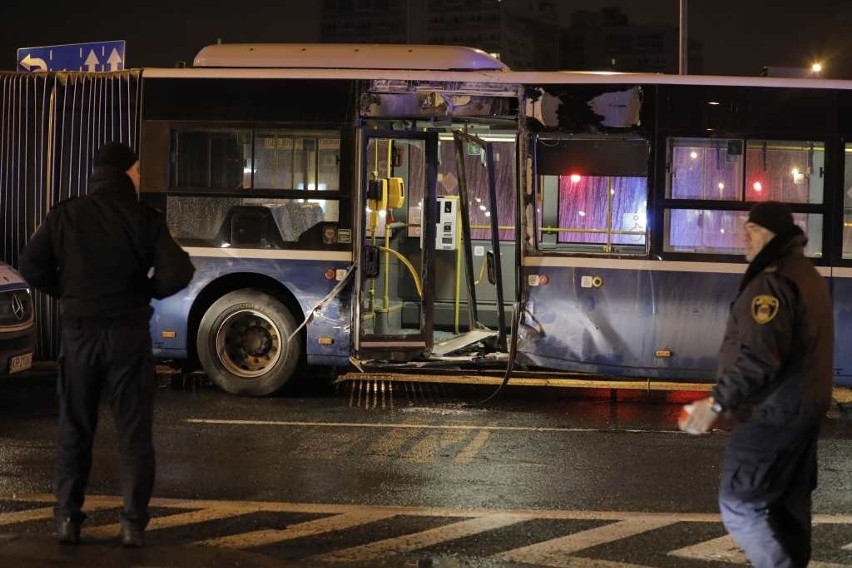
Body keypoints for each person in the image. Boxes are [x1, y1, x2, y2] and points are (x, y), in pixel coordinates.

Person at [19, 141, 195, 547]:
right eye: (136, 171)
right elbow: (179, 270)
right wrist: (145, 291)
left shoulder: (66, 214)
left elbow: (31, 264)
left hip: (79, 334)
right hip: (127, 335)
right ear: (125, 173)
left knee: (75, 427)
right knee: (133, 432)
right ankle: (132, 524)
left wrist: (67, 292)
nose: (138, 177)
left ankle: (68, 519)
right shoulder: (143, 218)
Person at [678, 201, 833, 568]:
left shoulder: (773, 281)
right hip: (801, 411)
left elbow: (760, 357)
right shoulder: (804, 273)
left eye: (752, 230)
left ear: (771, 235)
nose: (744, 238)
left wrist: (716, 403)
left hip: (771, 413)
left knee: (740, 503)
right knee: (785, 508)